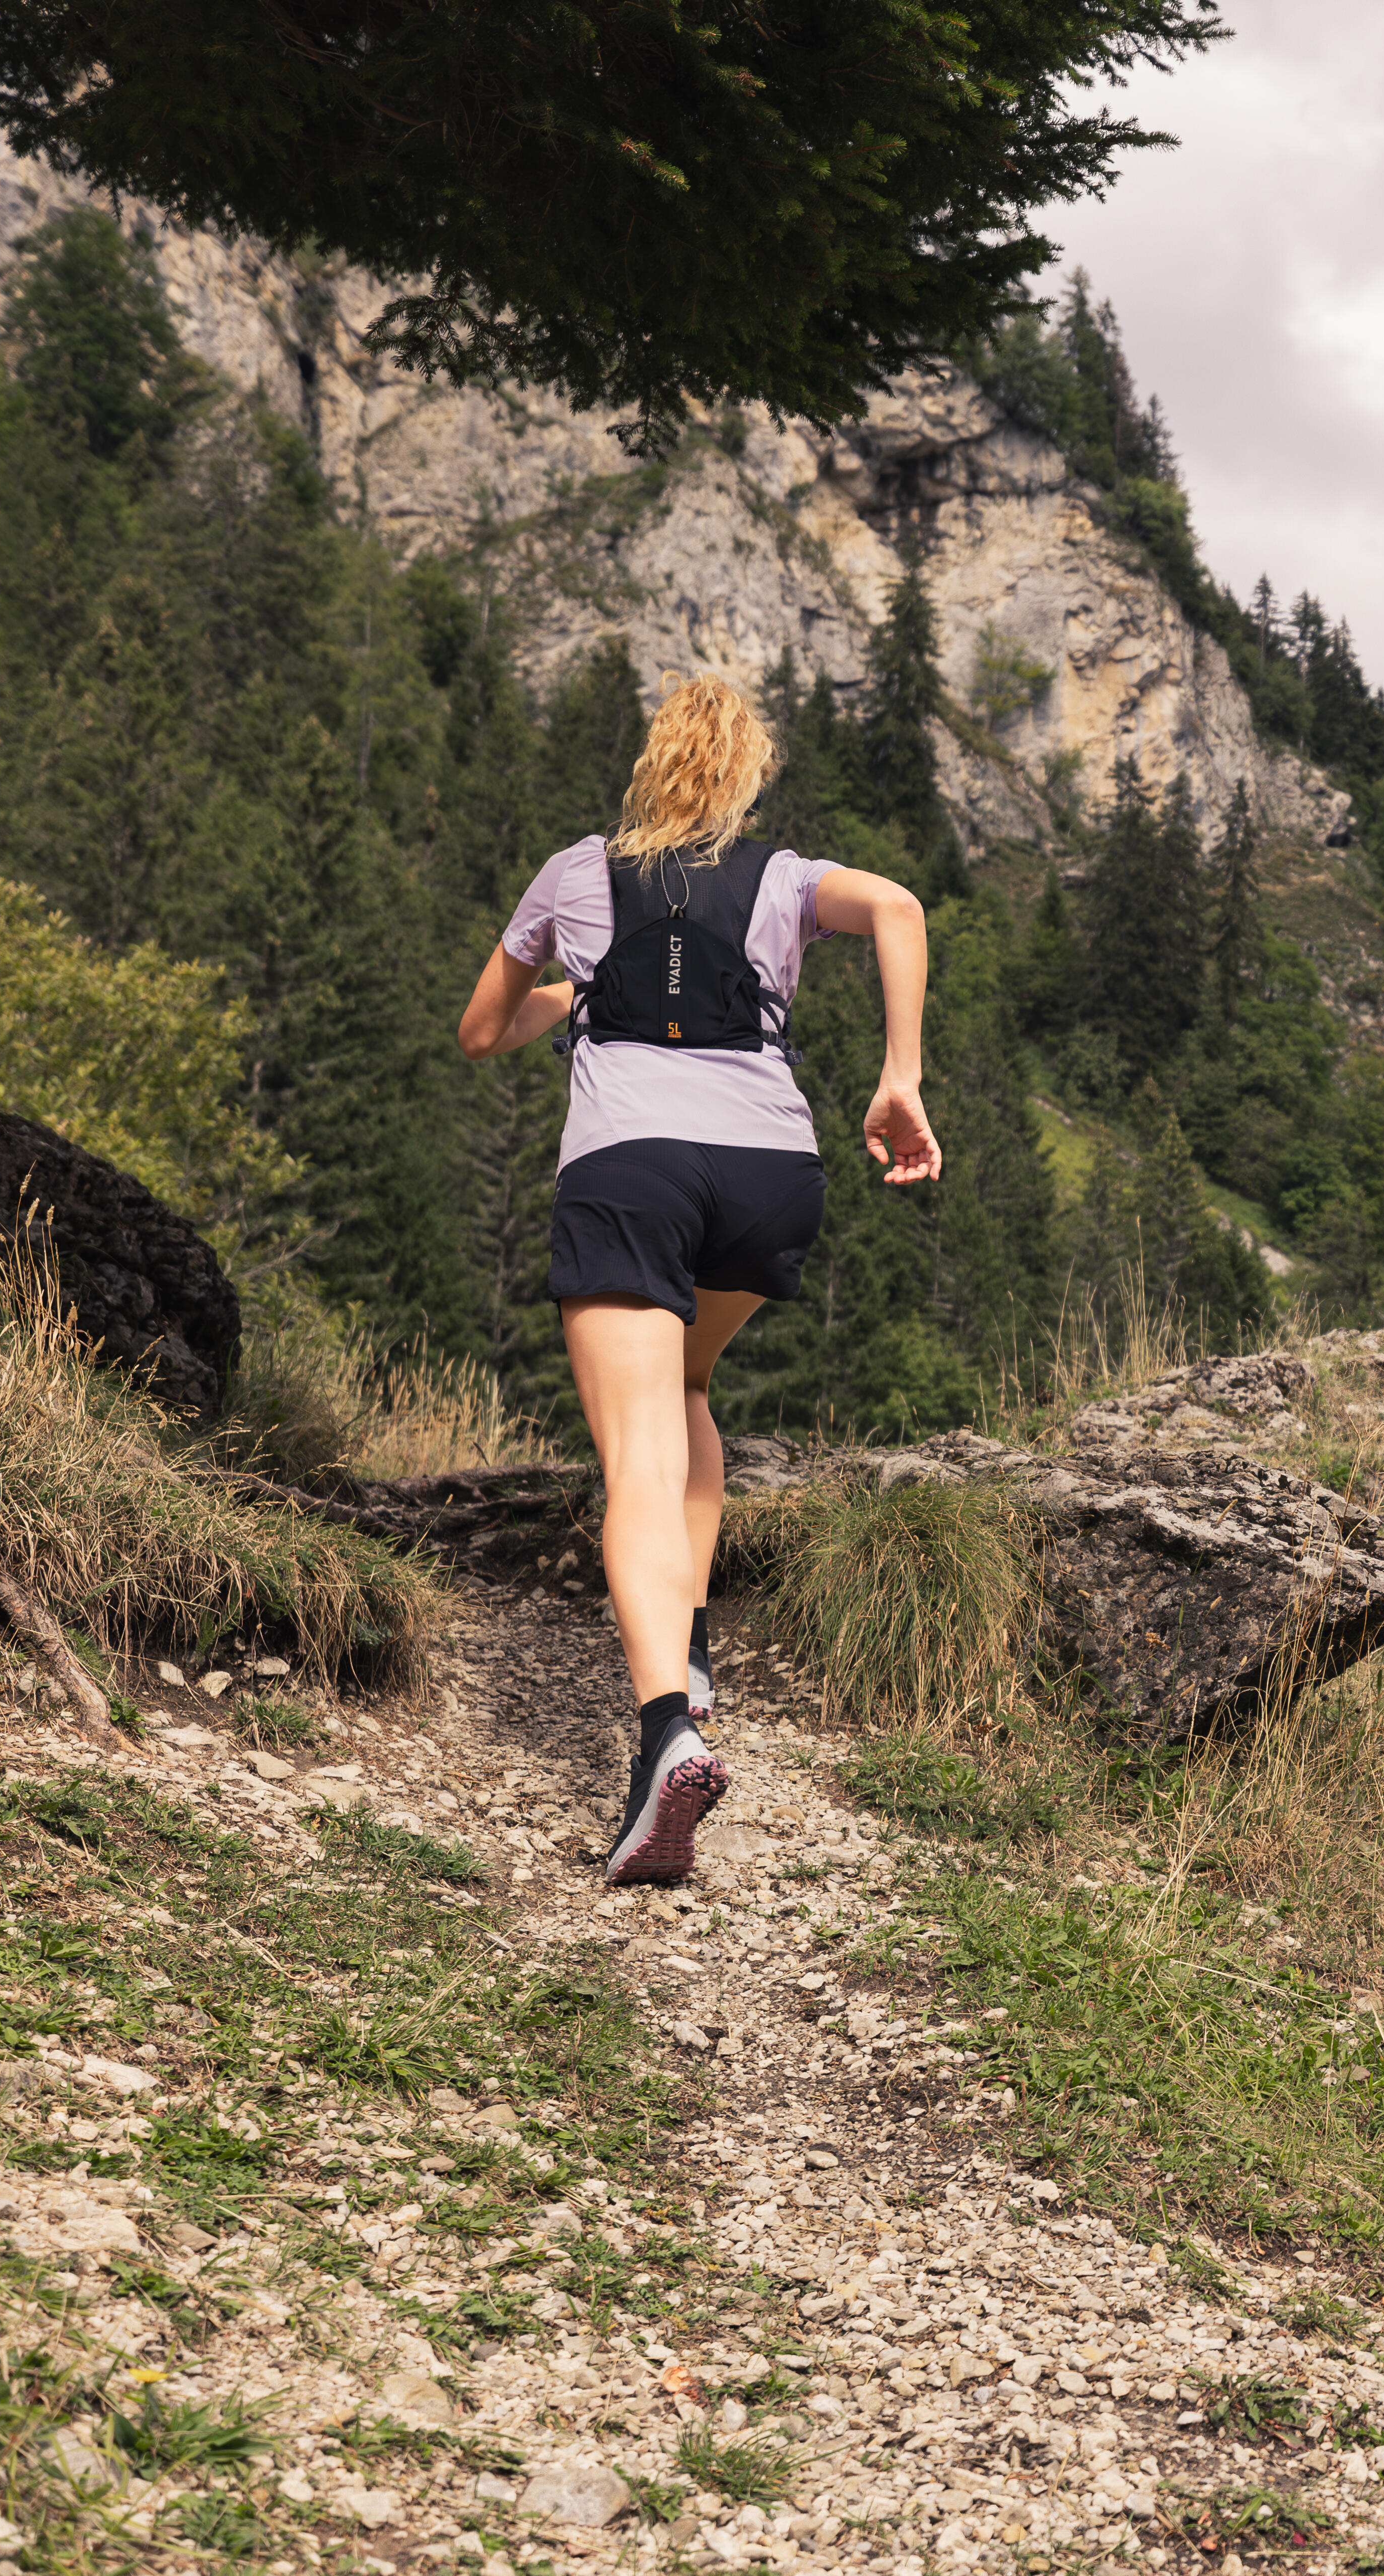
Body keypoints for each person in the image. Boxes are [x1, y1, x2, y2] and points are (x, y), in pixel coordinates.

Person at [455, 675, 942, 1883]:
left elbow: (480, 1029)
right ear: (745, 778)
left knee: (636, 1455)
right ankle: (697, 1632)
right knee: (686, 1384)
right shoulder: (781, 877)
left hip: (634, 1171)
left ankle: (665, 1730)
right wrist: (898, 1076)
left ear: (649, 770)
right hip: (770, 1170)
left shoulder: (575, 873)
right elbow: (897, 905)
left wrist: (573, 998)